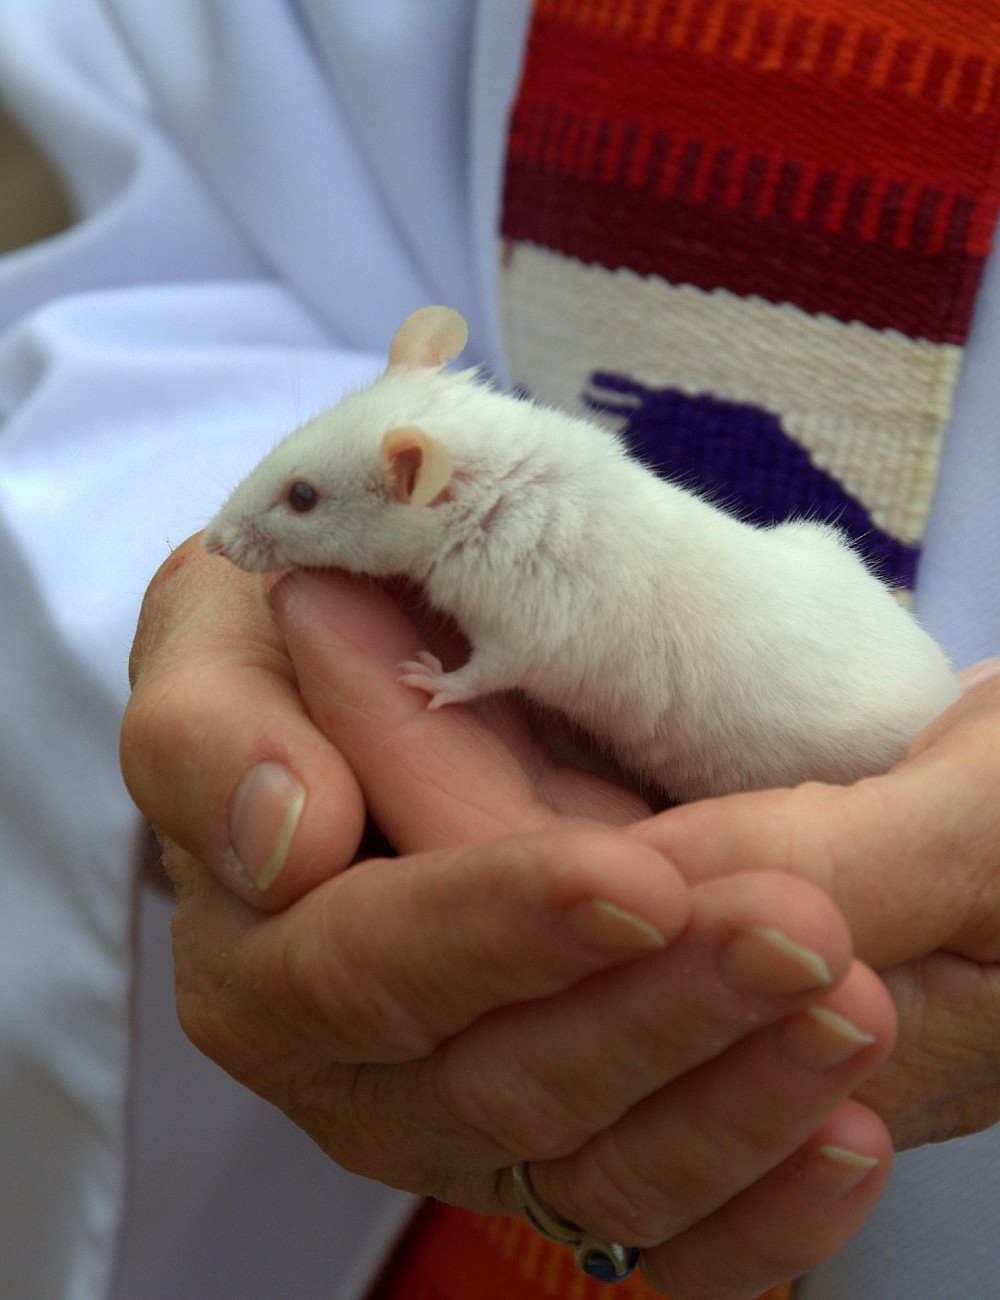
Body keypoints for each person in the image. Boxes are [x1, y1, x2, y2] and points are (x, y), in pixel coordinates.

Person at [1, 2, 997, 1297]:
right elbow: (188, 218)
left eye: (301, 506)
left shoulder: (496, 516)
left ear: (417, 480)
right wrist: (235, 696)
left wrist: (466, 679)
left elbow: (555, 633)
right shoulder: (438, 478)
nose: (261, 526)